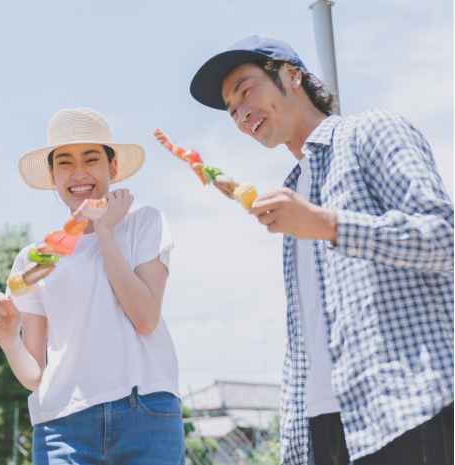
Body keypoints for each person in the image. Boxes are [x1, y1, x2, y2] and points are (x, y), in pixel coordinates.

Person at [189, 35, 453, 465]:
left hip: (404, 407)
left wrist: (327, 224)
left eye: (245, 90)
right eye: (231, 109)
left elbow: (444, 237)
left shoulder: (370, 131)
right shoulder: (293, 190)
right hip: (324, 427)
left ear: (292, 75)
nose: (240, 114)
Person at [0, 107, 185, 465]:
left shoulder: (144, 224)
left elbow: (145, 318)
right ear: (52, 175)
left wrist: (104, 230)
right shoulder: (34, 259)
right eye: (64, 163)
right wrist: (8, 338)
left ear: (113, 169)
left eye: (91, 159)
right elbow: (34, 376)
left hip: (147, 412)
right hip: (64, 424)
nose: (78, 173)